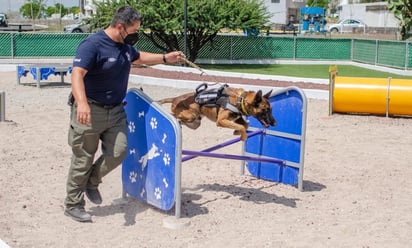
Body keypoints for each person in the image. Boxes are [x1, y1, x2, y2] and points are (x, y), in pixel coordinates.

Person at [64, 6, 184, 222]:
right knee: (83, 158)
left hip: (116, 110)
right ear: (120, 27)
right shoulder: (92, 45)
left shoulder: (124, 47)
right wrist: (81, 103)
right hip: (90, 110)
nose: (135, 35)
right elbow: (77, 74)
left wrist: (166, 58)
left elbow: (139, 57)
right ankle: (73, 204)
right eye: (133, 30)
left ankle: (92, 180)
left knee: (119, 151)